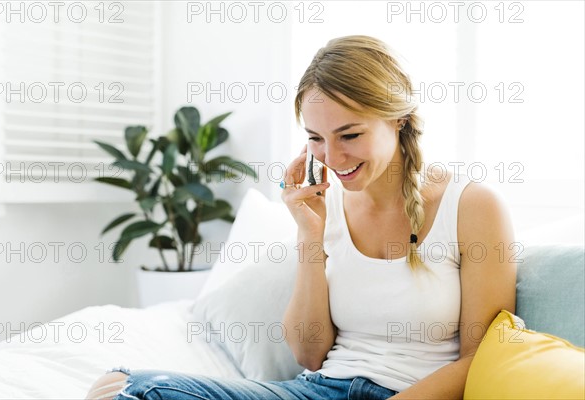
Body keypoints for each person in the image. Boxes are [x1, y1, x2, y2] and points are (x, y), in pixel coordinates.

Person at [86, 35, 517, 400]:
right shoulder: (324, 205)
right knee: (122, 388)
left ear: (398, 118)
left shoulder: (473, 207)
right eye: (316, 138)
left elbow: (480, 360)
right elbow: (310, 355)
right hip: (316, 389)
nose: (333, 157)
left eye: (350, 134)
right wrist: (309, 238)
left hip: (408, 393)